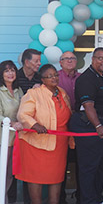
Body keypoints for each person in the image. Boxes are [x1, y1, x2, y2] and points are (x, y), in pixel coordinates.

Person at [16, 64, 72, 204]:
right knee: (35, 178)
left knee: (57, 177)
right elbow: (23, 114)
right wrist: (35, 125)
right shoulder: (34, 93)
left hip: (59, 143)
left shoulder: (62, 92)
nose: (54, 78)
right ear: (42, 79)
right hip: (36, 144)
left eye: (55, 75)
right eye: (49, 76)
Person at [68, 47, 103, 204]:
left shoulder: (102, 77)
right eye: (100, 58)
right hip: (90, 126)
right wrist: (98, 125)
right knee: (89, 167)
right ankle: (87, 200)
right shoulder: (87, 79)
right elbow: (88, 106)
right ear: (93, 59)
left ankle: (97, 198)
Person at [13, 48, 42, 204]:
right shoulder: (14, 76)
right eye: (36, 61)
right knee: (12, 168)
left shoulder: (40, 78)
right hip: (14, 128)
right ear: (26, 62)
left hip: (34, 130)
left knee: (30, 169)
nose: (39, 63)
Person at [58, 51, 81, 204]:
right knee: (61, 162)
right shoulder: (55, 77)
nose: (70, 61)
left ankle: (81, 195)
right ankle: (61, 198)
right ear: (60, 62)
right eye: (66, 59)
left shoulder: (81, 78)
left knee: (81, 161)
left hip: (79, 124)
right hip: (61, 124)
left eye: (73, 58)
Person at [0, 61, 24, 204]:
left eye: (13, 70)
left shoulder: (18, 90)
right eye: (6, 71)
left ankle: (4, 199)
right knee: (2, 174)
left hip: (16, 139)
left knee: (9, 175)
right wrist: (11, 122)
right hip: (3, 140)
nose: (10, 73)